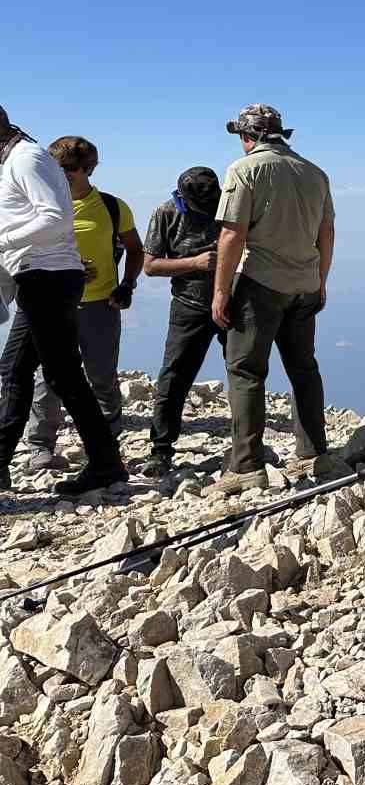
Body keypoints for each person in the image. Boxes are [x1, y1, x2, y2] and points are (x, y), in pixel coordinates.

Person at [210, 104, 336, 496]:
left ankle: (246, 466)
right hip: (305, 283)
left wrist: (220, 291)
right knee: (304, 369)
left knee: (246, 372)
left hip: (260, 283)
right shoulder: (315, 172)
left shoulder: (244, 169)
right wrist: (320, 281)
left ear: (247, 136)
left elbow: (232, 234)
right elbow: (327, 231)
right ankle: (314, 452)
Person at [0, 109, 127, 495]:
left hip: (47, 277)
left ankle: (107, 465)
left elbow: (55, 219)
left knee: (63, 375)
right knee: (15, 369)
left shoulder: (27, 159)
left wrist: (2, 242)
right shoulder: (17, 160)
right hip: (39, 276)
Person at [23, 137, 142, 469]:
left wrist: (127, 285)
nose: (61, 175)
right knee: (49, 378)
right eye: (55, 169)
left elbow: (135, 249)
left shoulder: (112, 207)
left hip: (99, 304)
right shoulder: (38, 206)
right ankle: (40, 447)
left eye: (70, 169)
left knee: (101, 375)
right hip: (51, 303)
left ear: (89, 169)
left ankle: (105, 444)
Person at [141, 166, 224, 477]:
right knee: (174, 376)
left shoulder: (230, 205)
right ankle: (161, 449)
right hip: (189, 305)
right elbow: (150, 265)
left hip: (231, 300)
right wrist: (196, 263)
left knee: (244, 375)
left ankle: (247, 449)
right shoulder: (166, 213)